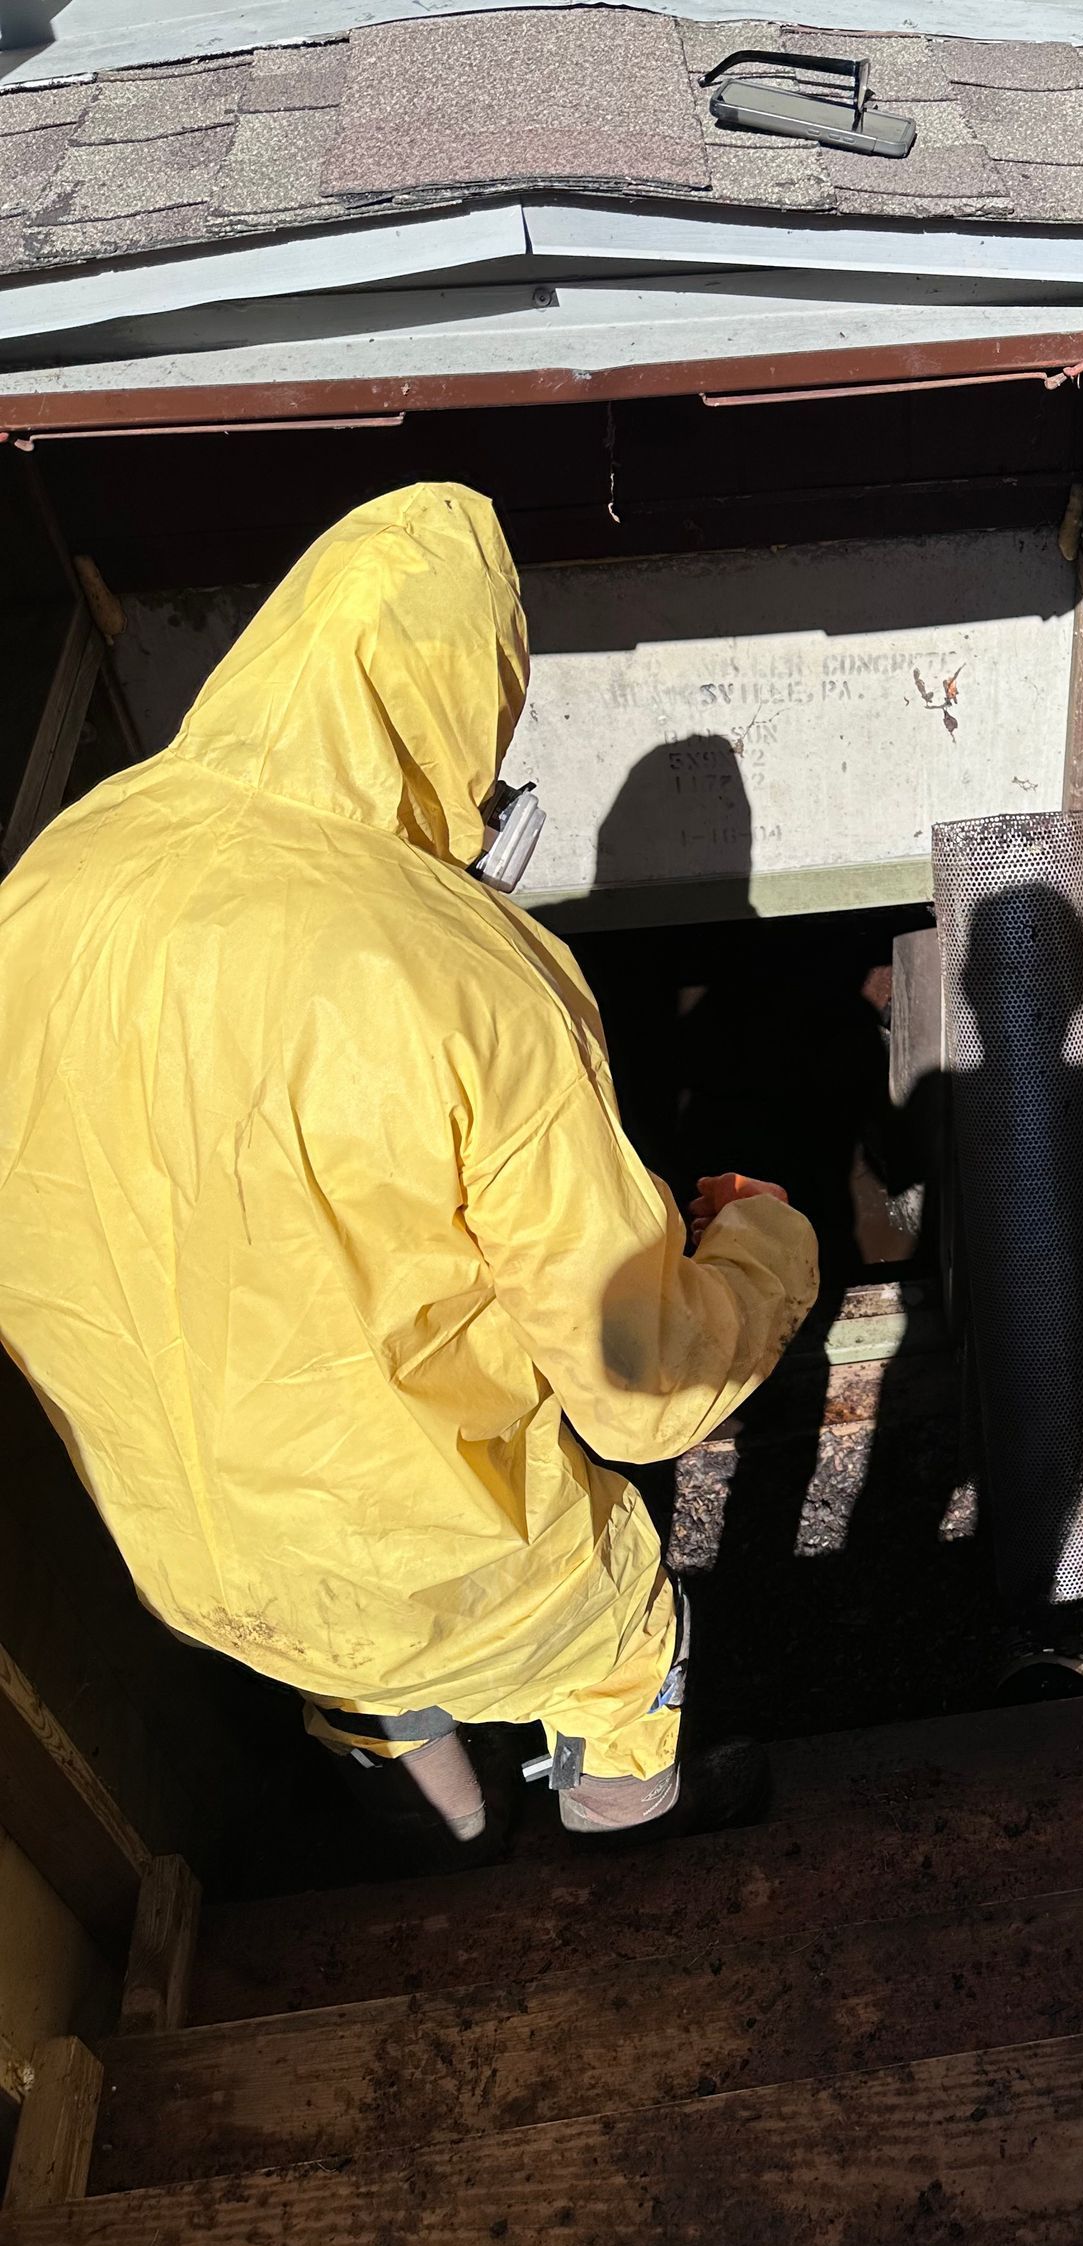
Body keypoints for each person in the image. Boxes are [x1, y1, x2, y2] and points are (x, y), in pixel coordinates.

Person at [0, 483, 817, 1845]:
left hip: (191, 1558)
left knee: (363, 1679)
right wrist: (764, 1246)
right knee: (618, 1644)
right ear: (462, 703)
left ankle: (443, 1848)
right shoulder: (465, 975)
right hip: (455, 1570)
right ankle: (626, 1841)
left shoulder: (47, 884)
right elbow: (641, 1393)